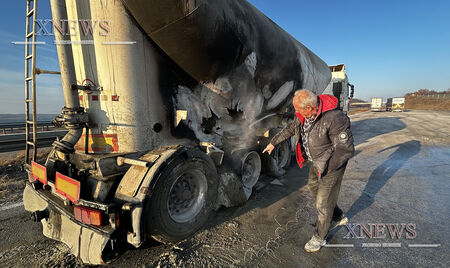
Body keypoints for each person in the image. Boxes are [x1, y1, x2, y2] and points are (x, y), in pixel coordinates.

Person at [263, 89, 354, 252]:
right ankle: (337, 216)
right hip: (316, 161)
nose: (296, 112)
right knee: (313, 186)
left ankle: (320, 237)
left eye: (298, 109)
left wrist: (327, 169)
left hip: (332, 165)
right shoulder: (303, 115)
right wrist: (273, 142)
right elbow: (290, 129)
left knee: (323, 202)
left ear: (310, 108)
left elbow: (345, 150)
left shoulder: (335, 118)